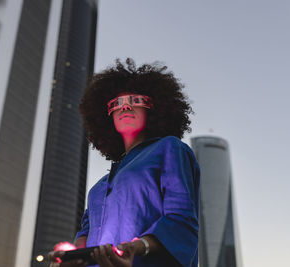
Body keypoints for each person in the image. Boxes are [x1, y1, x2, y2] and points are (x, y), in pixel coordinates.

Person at [49, 58, 200, 267]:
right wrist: (72, 257)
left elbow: (181, 221)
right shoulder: (99, 187)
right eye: (117, 104)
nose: (126, 107)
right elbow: (85, 233)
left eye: (136, 100)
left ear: (153, 108)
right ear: (106, 115)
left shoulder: (170, 149)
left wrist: (137, 248)